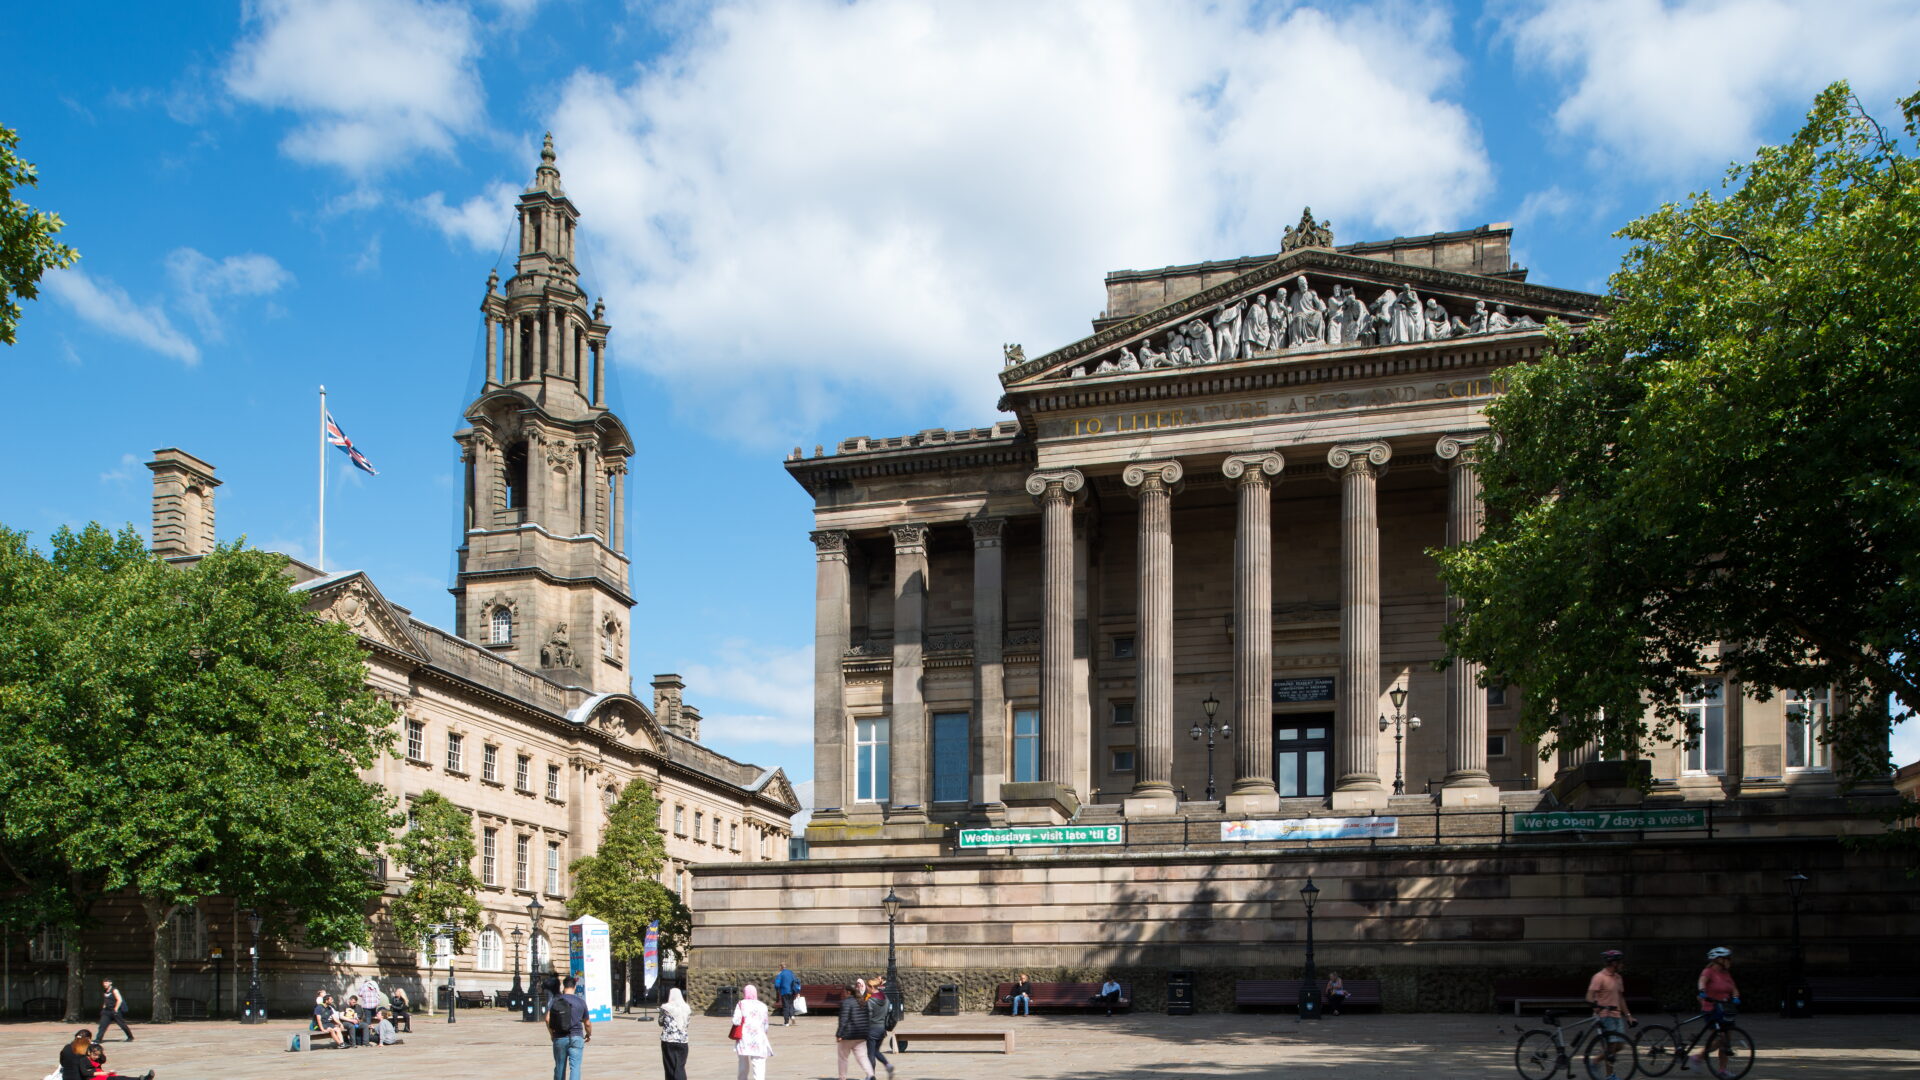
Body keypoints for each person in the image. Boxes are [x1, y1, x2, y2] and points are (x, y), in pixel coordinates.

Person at [1693, 947, 1741, 1078]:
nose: (1729, 961)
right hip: (1711, 1009)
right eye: (1727, 959)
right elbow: (1701, 982)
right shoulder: (1708, 971)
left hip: (1725, 1009)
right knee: (1721, 1039)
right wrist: (1702, 991)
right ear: (1718, 960)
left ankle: (1722, 1070)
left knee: (1727, 1040)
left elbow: (1734, 988)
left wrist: (1736, 997)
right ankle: (1698, 1057)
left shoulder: (1726, 974)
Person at [1587, 950, 1635, 1080]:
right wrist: (1595, 1005)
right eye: (1620, 962)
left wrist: (1628, 1015)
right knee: (1611, 1047)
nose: (1622, 964)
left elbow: (1620, 998)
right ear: (1613, 963)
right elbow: (1589, 996)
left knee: (1620, 1045)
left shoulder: (1618, 978)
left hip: (1616, 1015)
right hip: (1604, 1016)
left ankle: (1595, 1061)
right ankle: (1610, 1076)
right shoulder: (1599, 977)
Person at [548, 974, 591, 1080]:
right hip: (576, 1037)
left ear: (563, 986)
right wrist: (588, 1034)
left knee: (560, 1067)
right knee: (575, 1067)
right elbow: (587, 1023)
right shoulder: (581, 1002)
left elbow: (547, 1018)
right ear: (575, 987)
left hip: (559, 1037)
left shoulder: (556, 1000)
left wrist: (552, 1034)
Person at [60, 1031, 152, 1080]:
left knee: (117, 1078)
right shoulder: (84, 1051)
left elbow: (62, 1063)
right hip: (86, 1077)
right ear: (87, 1040)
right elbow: (86, 1071)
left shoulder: (66, 1047)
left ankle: (140, 1079)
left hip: (67, 1077)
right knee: (117, 1078)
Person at [730, 983, 773, 1080]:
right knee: (759, 1065)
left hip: (744, 1037)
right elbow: (766, 1024)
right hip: (759, 1037)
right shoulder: (763, 1006)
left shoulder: (741, 1004)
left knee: (743, 1065)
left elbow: (736, 1021)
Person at [834, 978, 872, 1080]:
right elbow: (867, 1018)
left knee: (843, 1057)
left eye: (845, 992)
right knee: (862, 1057)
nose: (844, 994)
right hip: (861, 1035)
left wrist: (839, 1034)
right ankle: (870, 1074)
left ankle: (842, 1077)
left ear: (848, 992)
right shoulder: (863, 1001)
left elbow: (844, 1020)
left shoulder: (846, 1002)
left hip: (848, 1035)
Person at [865, 977, 895, 1080]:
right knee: (876, 1051)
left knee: (870, 1054)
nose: (866, 988)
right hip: (882, 1029)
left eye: (867, 986)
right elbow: (888, 1012)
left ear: (872, 987)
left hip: (872, 1029)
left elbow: (867, 1018)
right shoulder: (885, 998)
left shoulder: (870, 1001)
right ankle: (888, 1065)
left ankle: (871, 1076)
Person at [658, 987, 691, 1080]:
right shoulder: (687, 1008)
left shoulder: (665, 1008)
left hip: (668, 1040)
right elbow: (687, 1024)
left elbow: (660, 1022)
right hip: (683, 1041)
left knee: (669, 1067)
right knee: (680, 1067)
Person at [95, 980, 133, 1044]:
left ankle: (130, 1036)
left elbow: (119, 1000)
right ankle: (98, 1039)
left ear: (110, 983)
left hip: (115, 1011)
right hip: (107, 1011)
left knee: (122, 1025)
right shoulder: (105, 991)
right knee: (102, 1025)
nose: (105, 984)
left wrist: (116, 1009)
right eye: (104, 983)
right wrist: (103, 1008)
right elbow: (106, 1000)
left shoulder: (114, 990)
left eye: (106, 983)